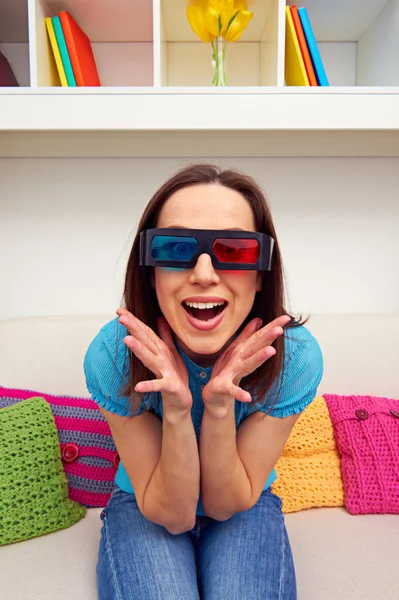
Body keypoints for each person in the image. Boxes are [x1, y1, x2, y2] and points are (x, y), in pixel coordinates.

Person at [84, 163, 323, 600]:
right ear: (150, 270)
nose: (204, 273)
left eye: (233, 251)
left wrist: (217, 406)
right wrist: (175, 408)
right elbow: (171, 515)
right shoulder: (114, 354)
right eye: (176, 248)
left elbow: (225, 503)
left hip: (242, 501)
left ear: (261, 272)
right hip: (149, 503)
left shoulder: (294, 358)